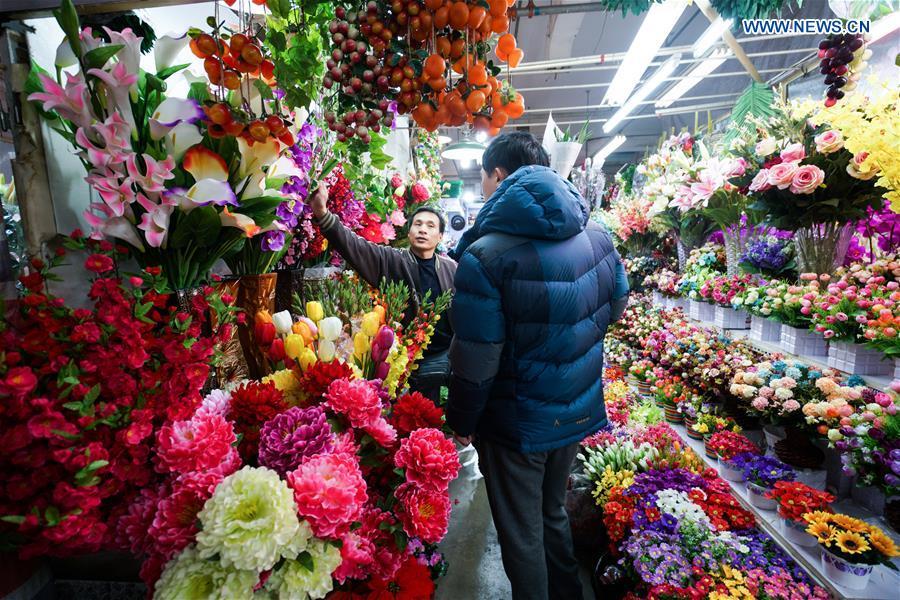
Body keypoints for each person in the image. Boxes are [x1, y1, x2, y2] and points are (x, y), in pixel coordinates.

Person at [446, 132, 629, 600]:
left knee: (521, 532)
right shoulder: (598, 237)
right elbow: (617, 304)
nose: (485, 189)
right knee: (552, 513)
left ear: (499, 176)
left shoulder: (484, 255)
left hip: (516, 422)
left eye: (485, 179)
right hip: (574, 409)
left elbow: (477, 356)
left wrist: (463, 420)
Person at [309, 183, 456, 401]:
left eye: (430, 226)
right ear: (409, 231)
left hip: (445, 354)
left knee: (434, 411)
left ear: (440, 236)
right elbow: (355, 246)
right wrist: (323, 214)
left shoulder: (452, 269)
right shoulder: (391, 259)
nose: (423, 229)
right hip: (404, 358)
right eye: (418, 224)